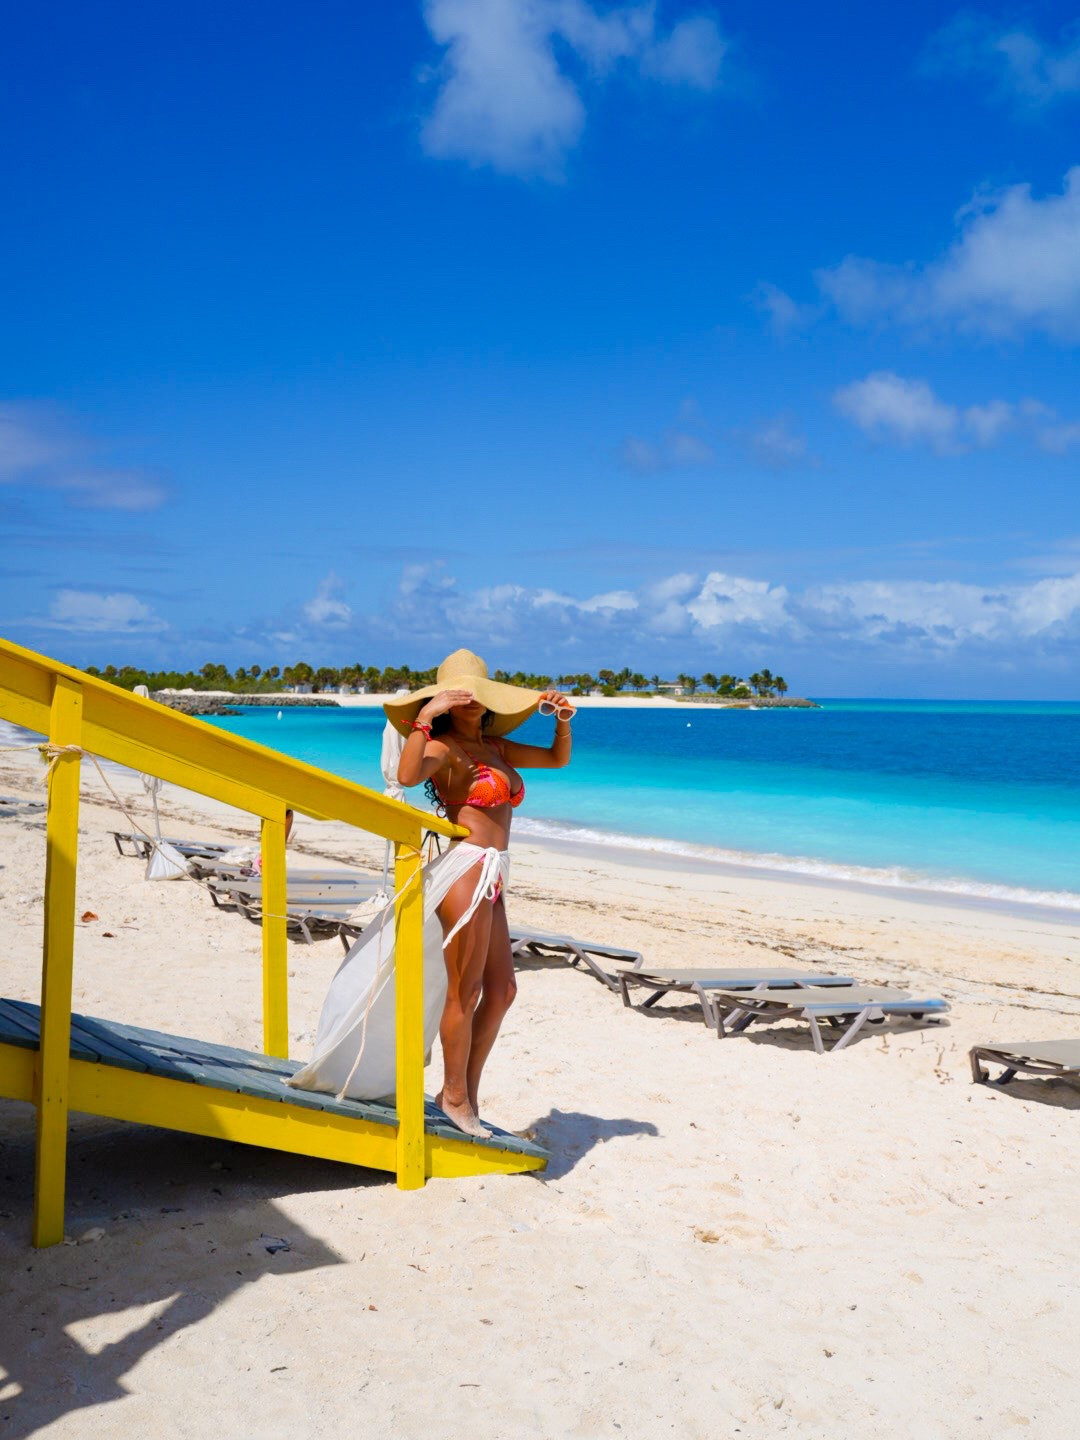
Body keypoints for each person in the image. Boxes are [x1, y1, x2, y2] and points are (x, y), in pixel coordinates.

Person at [392, 649, 572, 1138]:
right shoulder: (444, 747)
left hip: (495, 873)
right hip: (467, 868)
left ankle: (462, 1093)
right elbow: (407, 776)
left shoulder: (496, 747)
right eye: (457, 694)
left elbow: (557, 759)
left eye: (475, 692)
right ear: (444, 702)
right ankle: (455, 1096)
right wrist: (424, 720)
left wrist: (560, 721)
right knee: (466, 991)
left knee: (503, 990)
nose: (468, 700)